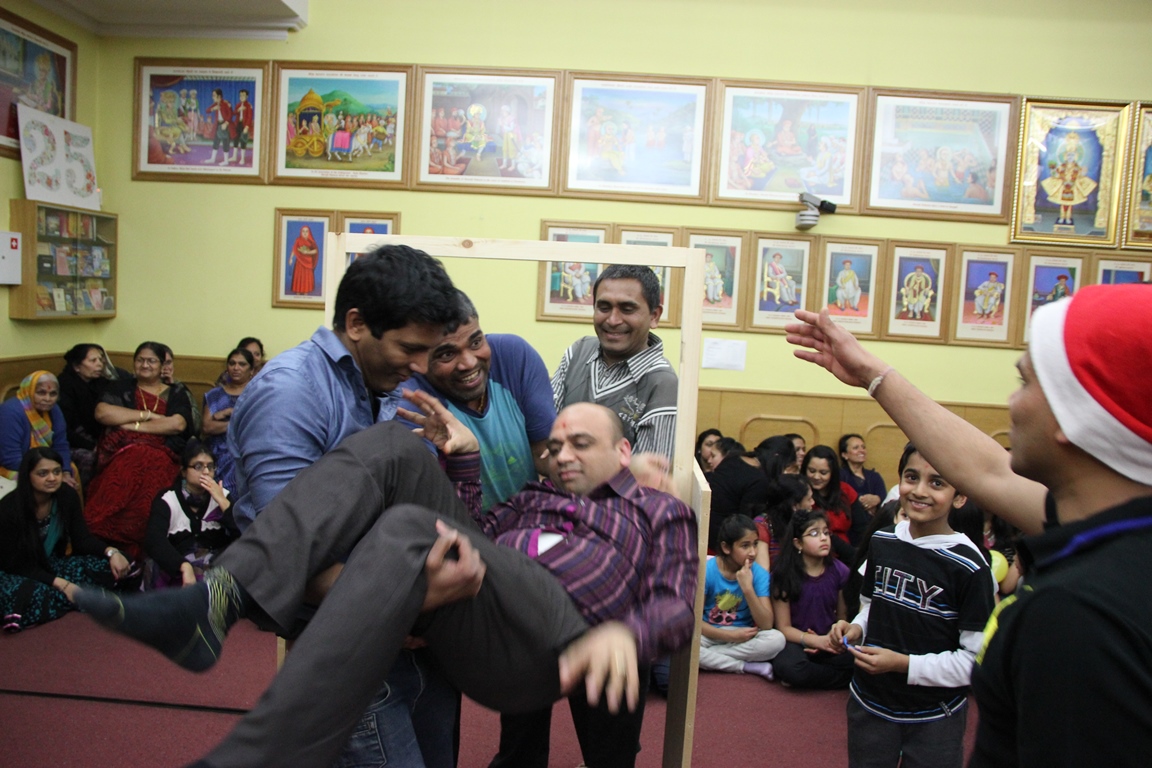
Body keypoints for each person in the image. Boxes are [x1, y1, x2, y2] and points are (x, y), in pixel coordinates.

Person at [77, 402, 698, 768]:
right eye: (556, 443)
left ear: (622, 452)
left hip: (561, 635)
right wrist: (460, 458)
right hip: (482, 618)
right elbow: (474, 534)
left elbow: (675, 603)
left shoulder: (656, 509)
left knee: (407, 525)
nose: (562, 454)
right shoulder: (534, 497)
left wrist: (627, 632)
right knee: (395, 447)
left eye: (581, 444)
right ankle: (217, 597)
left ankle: (258, 753)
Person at [784, 286, 1152, 766]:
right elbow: (987, 471)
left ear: (1073, 415)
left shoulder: (1079, 616)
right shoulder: (1120, 533)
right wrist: (873, 376)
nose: (1011, 402)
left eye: (1025, 383)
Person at [226, 244, 464, 768]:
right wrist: (405, 599)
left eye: (430, 350)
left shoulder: (389, 382)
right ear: (357, 324)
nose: (423, 366)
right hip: (349, 651)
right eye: (410, 347)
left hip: (412, 638)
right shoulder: (291, 394)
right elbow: (280, 555)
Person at [829, 444, 994, 768]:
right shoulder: (883, 540)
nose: (920, 491)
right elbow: (872, 605)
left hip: (935, 714)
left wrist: (904, 664)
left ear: (959, 496)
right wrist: (858, 627)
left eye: (937, 482)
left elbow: (973, 662)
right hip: (870, 702)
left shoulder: (970, 566)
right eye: (911, 477)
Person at [400, 291, 555, 509]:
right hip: (462, 532)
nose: (469, 363)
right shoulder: (412, 401)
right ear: (419, 359)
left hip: (526, 528)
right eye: (447, 355)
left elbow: (545, 455)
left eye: (475, 342)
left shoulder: (514, 357)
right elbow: (427, 504)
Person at [552, 264, 678, 460]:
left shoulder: (663, 384)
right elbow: (549, 433)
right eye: (604, 307)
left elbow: (646, 481)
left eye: (627, 309)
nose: (613, 320)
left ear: (654, 316)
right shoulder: (578, 351)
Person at [84, 342, 195, 561]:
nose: (145, 365)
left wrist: (130, 424)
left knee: (151, 464)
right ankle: (104, 537)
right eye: (140, 360)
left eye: (151, 361)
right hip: (123, 450)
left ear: (162, 365)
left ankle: (143, 539)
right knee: (127, 464)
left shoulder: (176, 392)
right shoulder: (121, 387)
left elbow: (177, 424)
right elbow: (103, 413)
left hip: (162, 452)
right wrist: (147, 416)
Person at [0, 448, 129, 631]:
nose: (52, 478)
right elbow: (16, 564)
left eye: (57, 472)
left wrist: (111, 552)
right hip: (15, 571)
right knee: (29, 592)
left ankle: (72, 598)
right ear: (28, 476)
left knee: (111, 565)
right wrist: (63, 584)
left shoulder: (66, 496)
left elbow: (82, 540)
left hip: (51, 564)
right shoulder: (10, 509)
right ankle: (80, 597)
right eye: (43, 473)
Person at [769, 508, 855, 690]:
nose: (823, 538)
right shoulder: (784, 574)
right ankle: (837, 678)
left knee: (859, 661)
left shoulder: (840, 571)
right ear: (798, 543)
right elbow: (783, 627)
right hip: (796, 640)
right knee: (790, 666)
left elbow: (842, 618)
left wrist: (832, 639)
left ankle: (813, 677)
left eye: (826, 533)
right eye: (814, 534)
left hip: (828, 639)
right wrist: (813, 640)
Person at [699, 514, 784, 681]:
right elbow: (693, 622)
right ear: (726, 548)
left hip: (743, 636)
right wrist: (729, 636)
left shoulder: (758, 574)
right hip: (709, 632)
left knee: (777, 640)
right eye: (745, 546)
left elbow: (766, 624)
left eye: (755, 544)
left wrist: (748, 589)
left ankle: (707, 659)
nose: (752, 552)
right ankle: (743, 666)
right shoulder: (707, 570)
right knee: (685, 643)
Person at [143, 440, 237, 590]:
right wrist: (184, 566)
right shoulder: (168, 498)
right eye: (198, 466)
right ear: (184, 471)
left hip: (214, 565)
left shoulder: (223, 496)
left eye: (210, 467)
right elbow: (154, 540)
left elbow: (242, 534)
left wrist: (222, 501)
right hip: (176, 563)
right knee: (153, 565)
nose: (206, 472)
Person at [57, 344, 122, 486]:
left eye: (101, 360)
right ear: (76, 367)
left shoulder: (100, 383)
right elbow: (65, 429)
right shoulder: (64, 386)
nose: (100, 364)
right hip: (72, 441)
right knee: (93, 457)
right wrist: (92, 445)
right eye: (93, 361)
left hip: (97, 438)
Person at [0, 371, 75, 487]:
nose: (48, 398)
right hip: (14, 468)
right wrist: (44, 472)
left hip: (46, 465)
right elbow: (10, 458)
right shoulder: (10, 412)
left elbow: (61, 445)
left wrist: (65, 471)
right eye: (41, 393)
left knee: (68, 482)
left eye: (53, 394)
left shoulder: (54, 410)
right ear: (29, 391)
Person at [201, 348, 256, 491]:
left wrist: (229, 413)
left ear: (251, 370)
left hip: (248, 448)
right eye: (232, 363)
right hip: (218, 450)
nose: (236, 368)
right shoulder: (215, 395)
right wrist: (238, 420)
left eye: (242, 364)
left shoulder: (256, 394)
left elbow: (257, 423)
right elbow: (207, 427)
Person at [802, 445, 868, 561]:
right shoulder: (801, 495)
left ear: (833, 473)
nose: (816, 477)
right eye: (811, 471)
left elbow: (861, 529)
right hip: (813, 556)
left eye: (823, 472)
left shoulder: (846, 491)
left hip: (847, 556)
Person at [838, 433, 885, 515]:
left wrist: (877, 499)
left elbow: (884, 498)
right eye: (856, 448)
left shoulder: (874, 476)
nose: (862, 450)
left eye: (863, 447)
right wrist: (862, 501)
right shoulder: (839, 475)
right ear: (844, 455)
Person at [289, 225, 319, 295]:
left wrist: (307, 252)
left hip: (308, 262)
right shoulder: (298, 240)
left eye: (306, 231)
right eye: (303, 231)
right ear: (301, 232)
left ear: (309, 232)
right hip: (299, 261)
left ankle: (306, 292)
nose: (305, 233)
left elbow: (315, 251)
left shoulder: (311, 241)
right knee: (299, 277)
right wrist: (291, 258)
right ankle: (298, 291)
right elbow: (294, 249)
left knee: (306, 278)